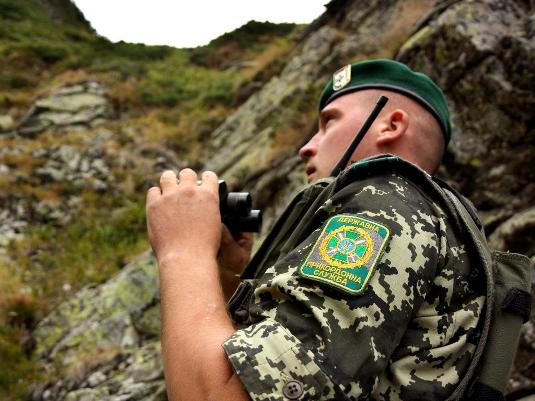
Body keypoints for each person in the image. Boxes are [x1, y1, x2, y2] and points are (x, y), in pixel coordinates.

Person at [146, 59, 485, 401]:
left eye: (328, 123)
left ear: (390, 125)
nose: (306, 146)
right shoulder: (419, 217)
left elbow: (223, 395)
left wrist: (183, 251)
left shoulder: (384, 206)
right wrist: (228, 272)